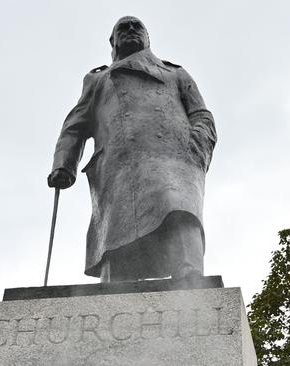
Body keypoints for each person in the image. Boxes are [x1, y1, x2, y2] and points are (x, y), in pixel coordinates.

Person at [48, 16, 217, 282]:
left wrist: (196, 146)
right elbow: (75, 126)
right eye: (122, 28)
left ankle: (189, 272)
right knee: (119, 230)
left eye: (136, 26)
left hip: (174, 156)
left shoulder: (176, 73)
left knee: (179, 207)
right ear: (112, 41)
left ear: (148, 38)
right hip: (120, 164)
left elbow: (201, 114)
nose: (129, 30)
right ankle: (117, 284)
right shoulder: (98, 80)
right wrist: (63, 164)